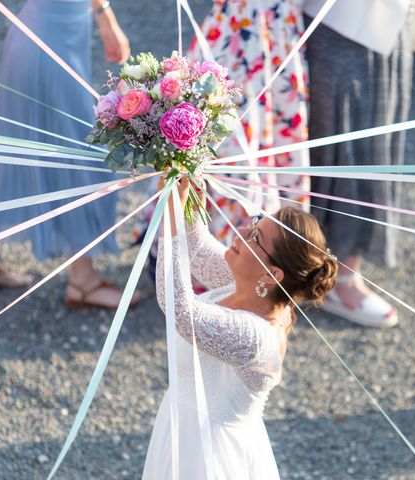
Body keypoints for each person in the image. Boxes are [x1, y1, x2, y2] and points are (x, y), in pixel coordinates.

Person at [142, 177, 337, 479]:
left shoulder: (256, 337)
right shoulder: (250, 284)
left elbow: (179, 310)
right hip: (181, 423)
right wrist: (186, 185)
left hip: (210, 455)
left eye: (255, 237)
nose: (241, 231)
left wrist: (170, 220)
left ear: (273, 275)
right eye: (255, 222)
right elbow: (195, 249)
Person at [303, 0, 415, 327]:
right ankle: (325, 270)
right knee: (342, 149)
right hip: (338, 28)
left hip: (391, 36)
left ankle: (336, 269)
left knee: (371, 152)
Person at [0, 0, 138, 309]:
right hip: (49, 41)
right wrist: (104, 15)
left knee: (14, 148)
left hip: (41, 33)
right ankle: (83, 281)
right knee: (79, 154)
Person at [188, 0, 310, 245]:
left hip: (280, 36)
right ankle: (217, 252)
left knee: (272, 142)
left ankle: (272, 250)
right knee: (229, 146)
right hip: (238, 38)